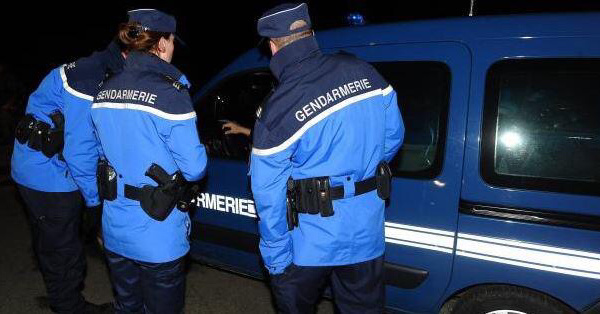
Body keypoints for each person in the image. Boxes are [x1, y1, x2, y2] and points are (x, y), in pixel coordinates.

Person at [250, 3, 405, 313]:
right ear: (311, 34)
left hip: (308, 244)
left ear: (272, 45)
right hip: (365, 232)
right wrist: (357, 167)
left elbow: (267, 193)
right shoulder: (366, 73)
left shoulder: (279, 106)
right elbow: (393, 138)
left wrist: (276, 258)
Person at [90, 9, 207, 313]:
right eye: (172, 40)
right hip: (158, 230)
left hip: (116, 226)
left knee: (128, 306)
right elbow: (195, 168)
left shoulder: (103, 92)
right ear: (163, 43)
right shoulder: (171, 94)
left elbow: (101, 154)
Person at [10, 23, 126, 313]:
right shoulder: (89, 76)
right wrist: (94, 201)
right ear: (129, 53)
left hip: (41, 169)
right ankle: (68, 306)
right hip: (48, 176)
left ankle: (59, 292)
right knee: (65, 252)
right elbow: (80, 150)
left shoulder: (105, 70)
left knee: (52, 242)